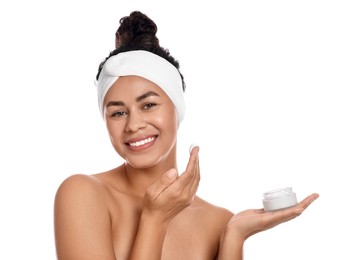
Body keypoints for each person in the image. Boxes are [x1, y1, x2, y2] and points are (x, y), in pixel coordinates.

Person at [54, 11, 319, 260]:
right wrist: (154, 219)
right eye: (118, 113)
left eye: (148, 105)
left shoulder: (218, 221)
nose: (133, 125)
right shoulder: (83, 195)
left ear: (176, 108)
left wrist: (233, 237)